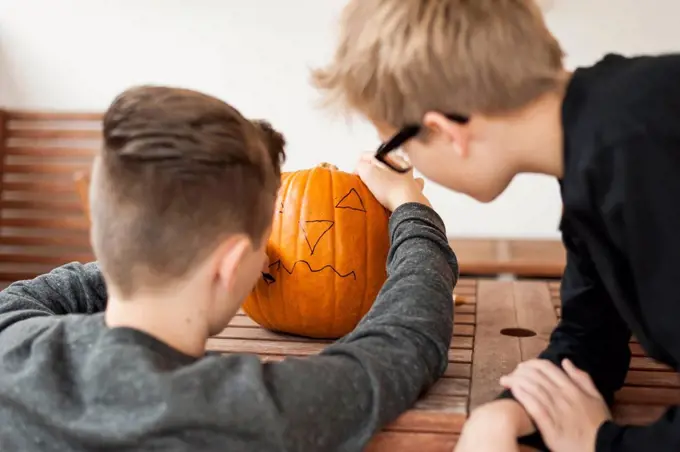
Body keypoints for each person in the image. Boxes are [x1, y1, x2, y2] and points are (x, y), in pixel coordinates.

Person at [0, 86, 459, 451]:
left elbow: (31, 296)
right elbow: (407, 342)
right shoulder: (244, 411)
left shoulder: (11, 342)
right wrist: (409, 205)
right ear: (233, 264)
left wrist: (163, 254)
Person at [311, 0, 680, 451]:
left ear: (446, 130)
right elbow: (591, 336)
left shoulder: (639, 149)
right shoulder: (598, 140)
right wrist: (507, 413)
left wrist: (599, 443)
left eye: (395, 147)